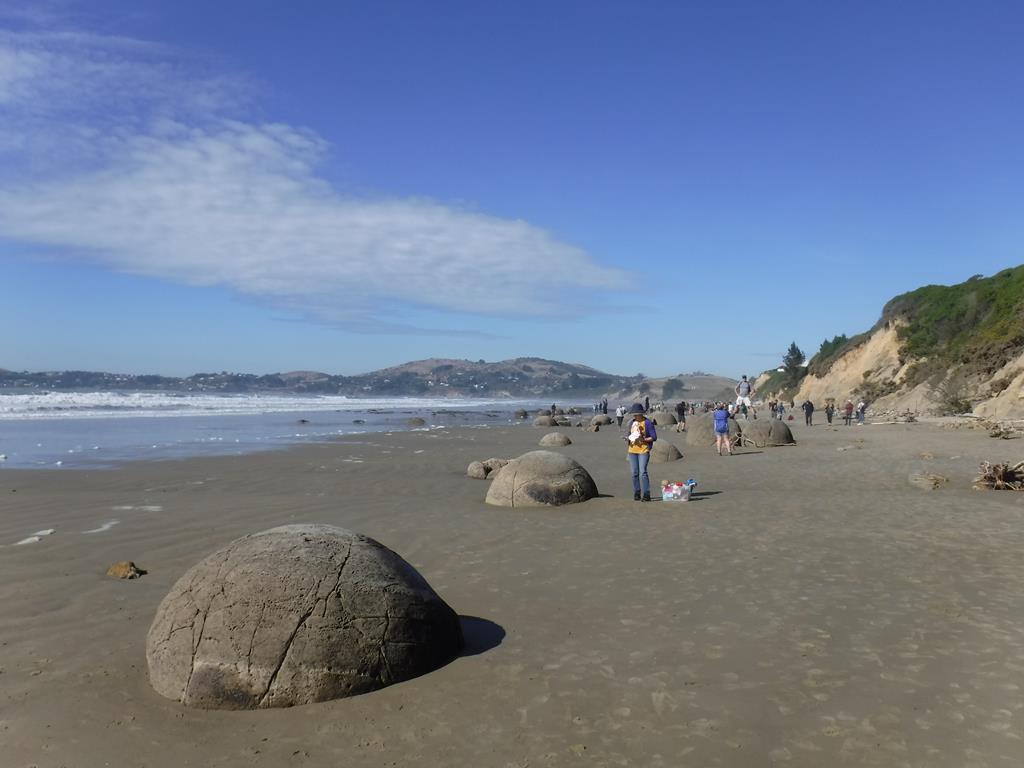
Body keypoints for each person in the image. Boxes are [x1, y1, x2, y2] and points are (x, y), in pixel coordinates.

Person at [624, 403, 657, 501]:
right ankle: (637, 492)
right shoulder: (631, 423)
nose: (635, 416)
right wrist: (628, 439)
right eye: (634, 414)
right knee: (634, 473)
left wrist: (644, 439)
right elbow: (630, 435)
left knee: (643, 472)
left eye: (636, 414)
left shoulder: (647, 423)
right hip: (632, 450)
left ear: (641, 414)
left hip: (643, 450)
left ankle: (646, 494)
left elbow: (654, 437)